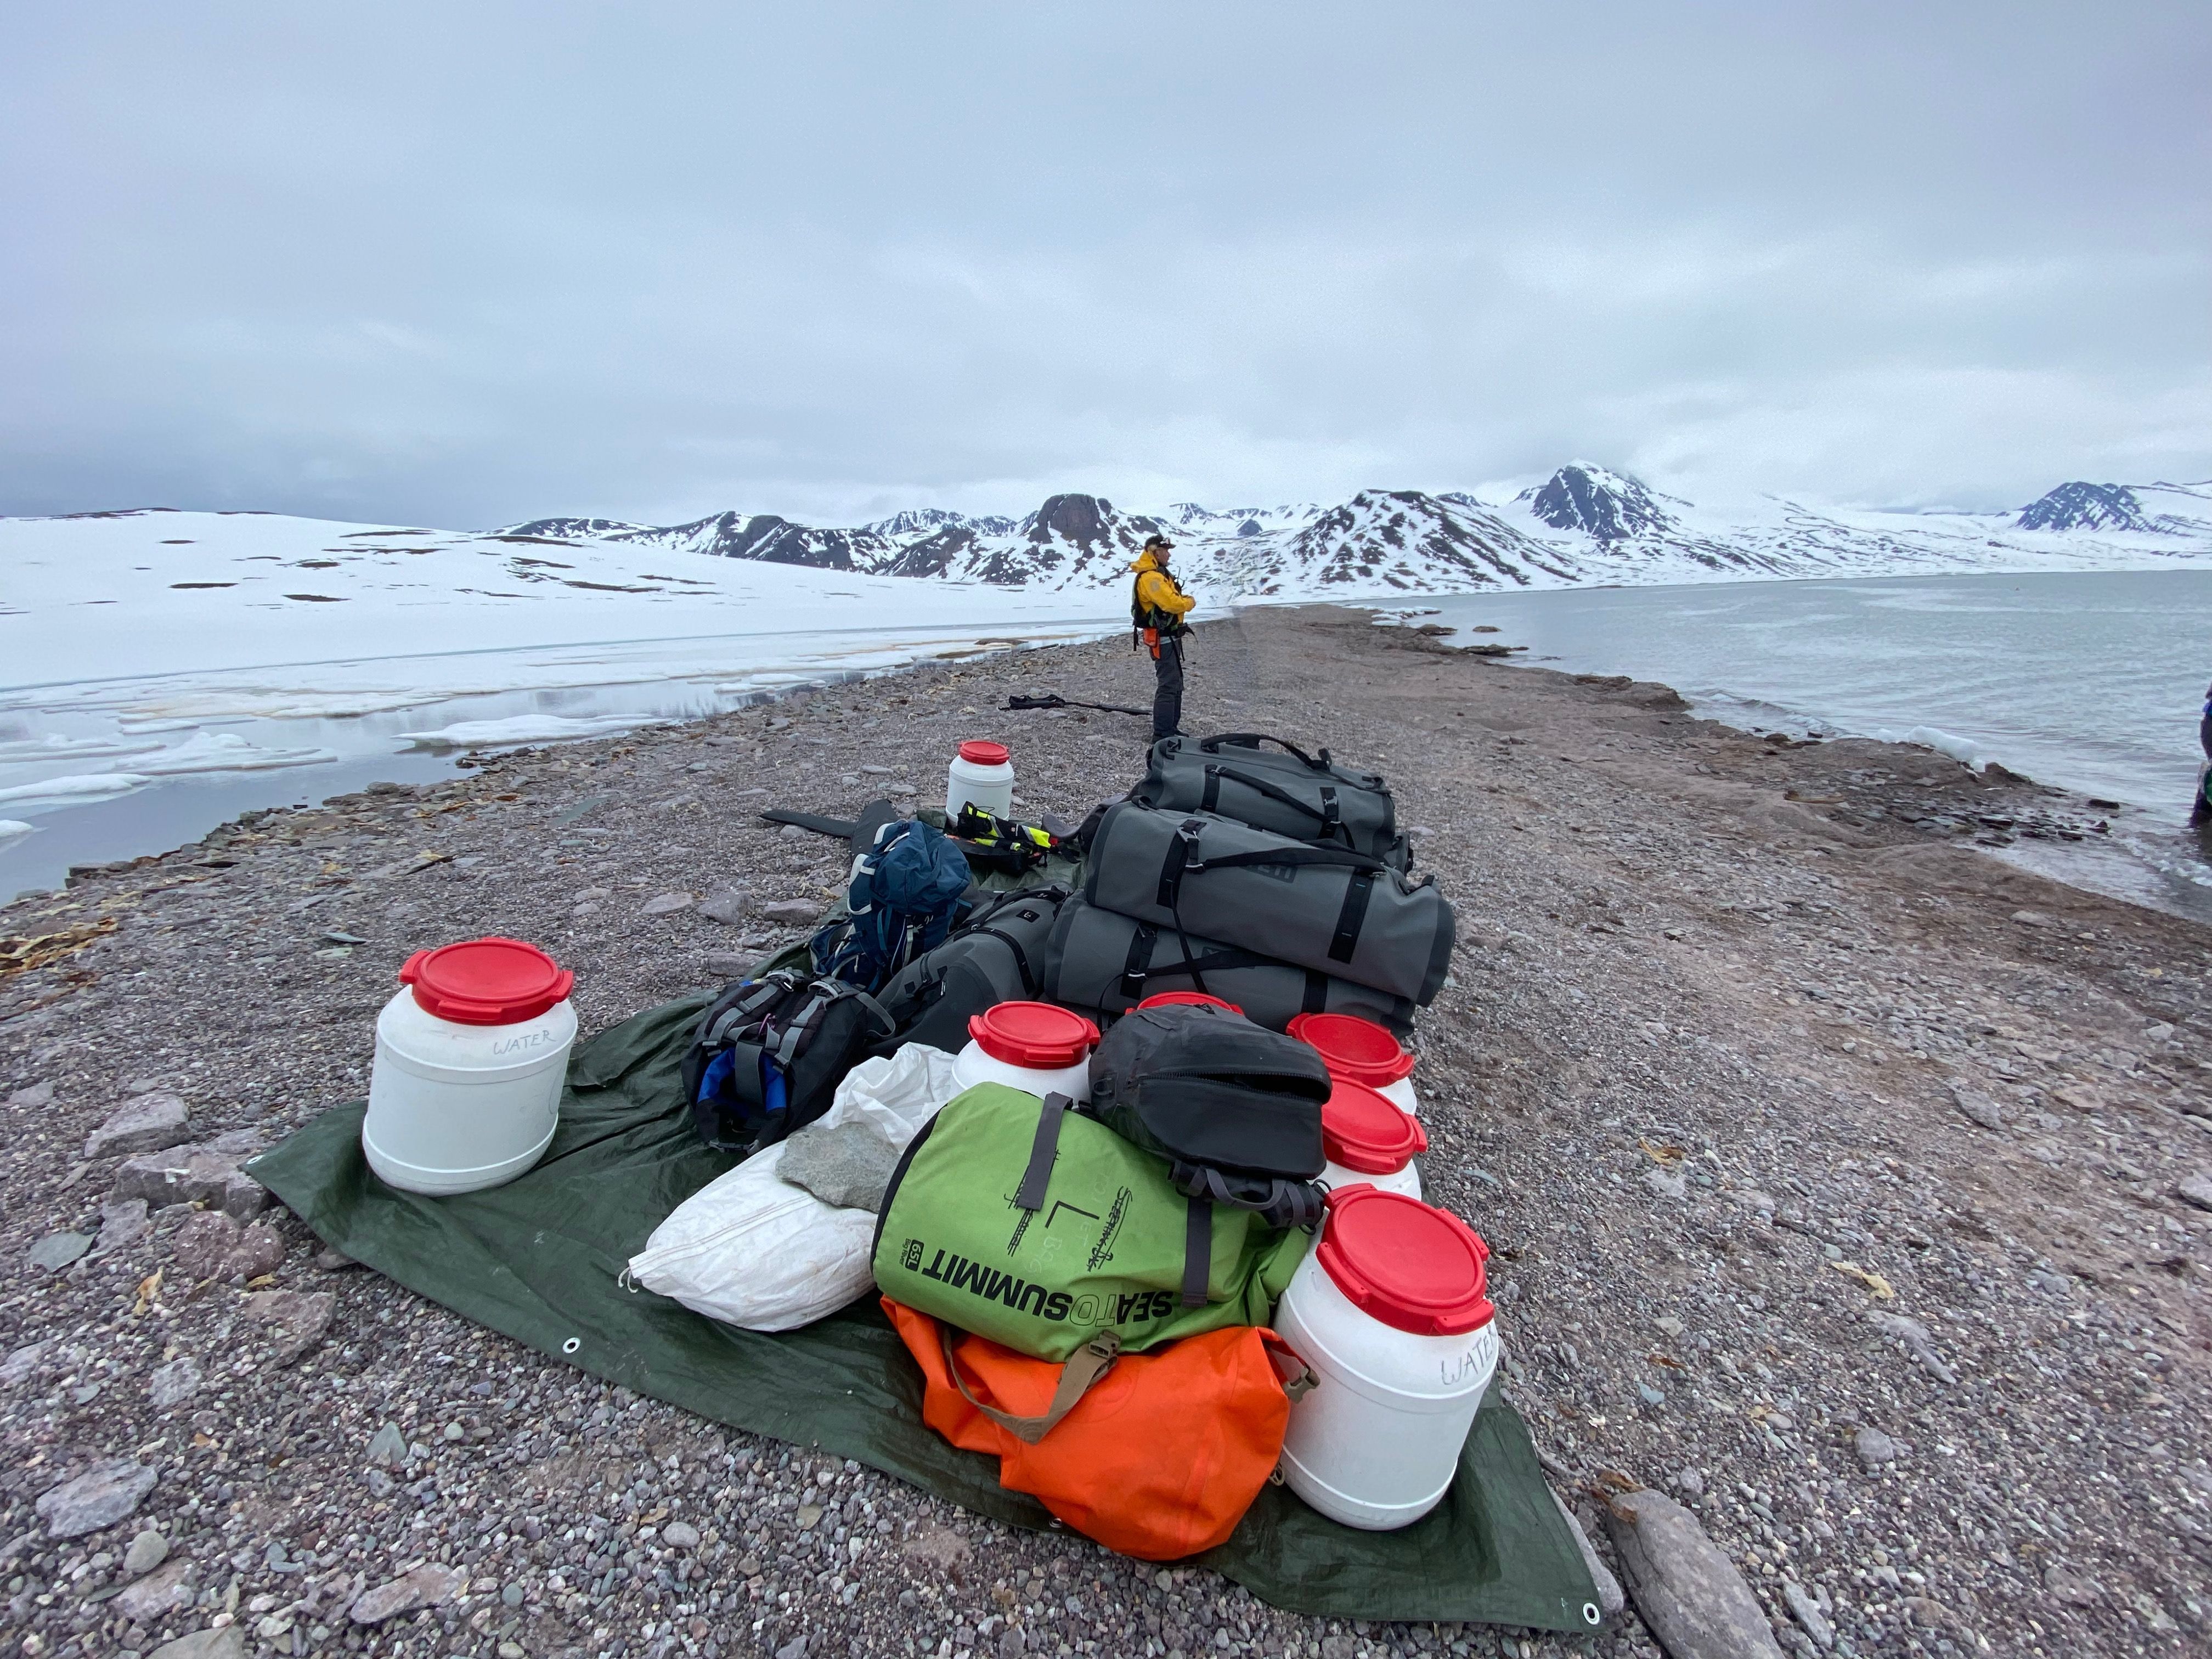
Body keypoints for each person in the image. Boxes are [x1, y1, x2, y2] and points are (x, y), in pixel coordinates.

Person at [1131, 533, 1196, 742]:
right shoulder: (1151, 578)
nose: (1169, 554)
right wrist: (1189, 603)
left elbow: (1172, 600)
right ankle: (1162, 733)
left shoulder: (1159, 575)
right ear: (1155, 552)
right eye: (1166, 550)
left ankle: (1170, 729)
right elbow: (1172, 603)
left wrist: (1181, 602)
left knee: (1175, 682)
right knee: (1168, 684)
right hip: (1163, 639)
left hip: (1170, 637)